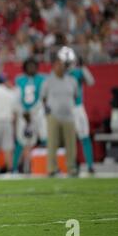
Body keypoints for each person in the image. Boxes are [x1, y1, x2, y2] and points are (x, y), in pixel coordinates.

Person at [41, 47, 79, 177]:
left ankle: (71, 167)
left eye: (61, 64)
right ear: (54, 66)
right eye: (57, 64)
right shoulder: (48, 81)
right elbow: (43, 98)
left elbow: (75, 96)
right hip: (53, 116)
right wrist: (48, 111)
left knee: (71, 145)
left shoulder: (72, 80)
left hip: (69, 116)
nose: (60, 67)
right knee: (52, 144)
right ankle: (52, 168)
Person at [12, 58, 47, 173]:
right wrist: (23, 112)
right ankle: (15, 168)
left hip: (38, 113)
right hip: (24, 114)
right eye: (29, 66)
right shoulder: (19, 79)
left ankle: (44, 165)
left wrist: (32, 112)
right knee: (21, 140)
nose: (31, 68)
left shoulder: (42, 78)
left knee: (44, 136)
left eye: (33, 66)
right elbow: (17, 97)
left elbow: (42, 97)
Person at [66, 55, 96, 174]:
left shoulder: (78, 72)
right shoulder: (60, 73)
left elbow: (91, 82)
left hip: (77, 108)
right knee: (68, 139)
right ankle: (71, 165)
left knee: (84, 136)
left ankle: (90, 165)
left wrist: (83, 67)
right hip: (65, 109)